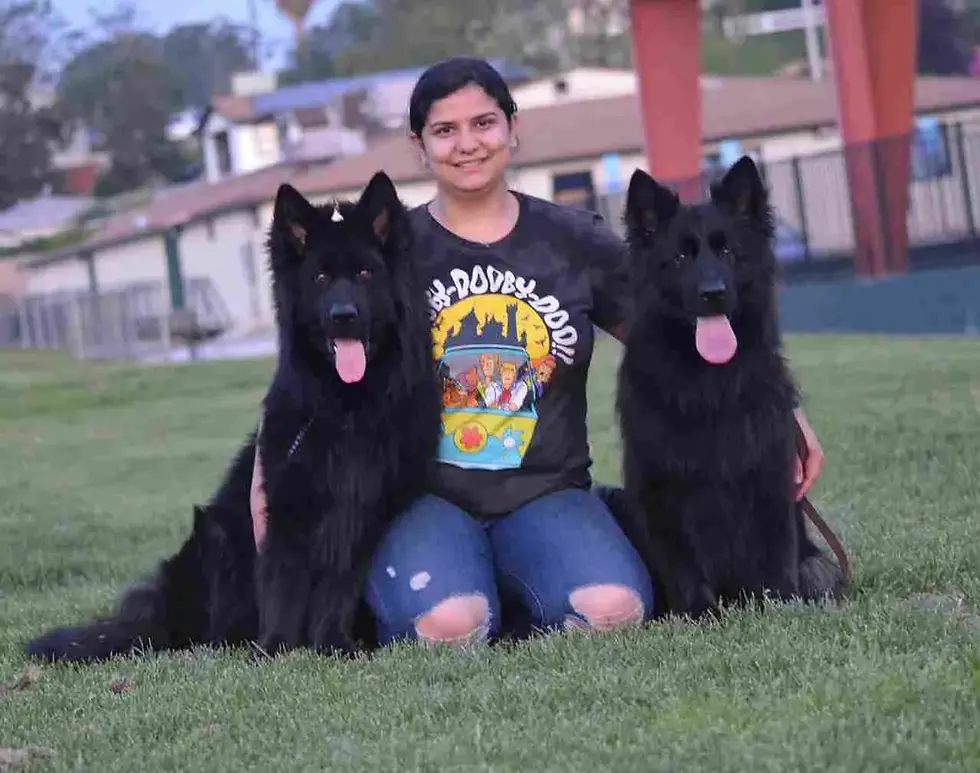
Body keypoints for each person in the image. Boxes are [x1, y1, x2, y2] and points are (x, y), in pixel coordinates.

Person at [249, 57, 826, 648]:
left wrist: (788, 411)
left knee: (613, 611)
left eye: (485, 122)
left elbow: (691, 332)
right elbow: (313, 360)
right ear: (419, 147)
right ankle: (461, 588)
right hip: (424, 499)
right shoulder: (393, 249)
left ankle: (530, 576)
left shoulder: (574, 241)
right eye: (445, 131)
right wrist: (264, 472)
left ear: (512, 128)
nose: (468, 144)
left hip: (547, 495)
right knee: (451, 627)